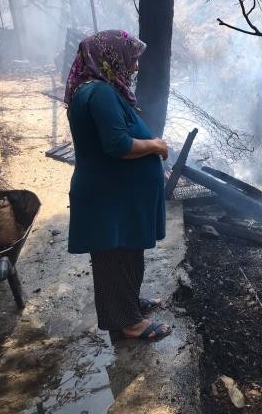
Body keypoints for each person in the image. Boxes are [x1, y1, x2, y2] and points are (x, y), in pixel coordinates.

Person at [65, 30, 170, 340]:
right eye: (132, 59)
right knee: (112, 259)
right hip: (107, 197)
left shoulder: (100, 91)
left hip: (117, 195)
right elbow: (118, 145)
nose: (135, 67)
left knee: (127, 253)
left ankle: (130, 305)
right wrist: (155, 146)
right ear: (111, 58)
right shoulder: (99, 94)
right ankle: (129, 323)